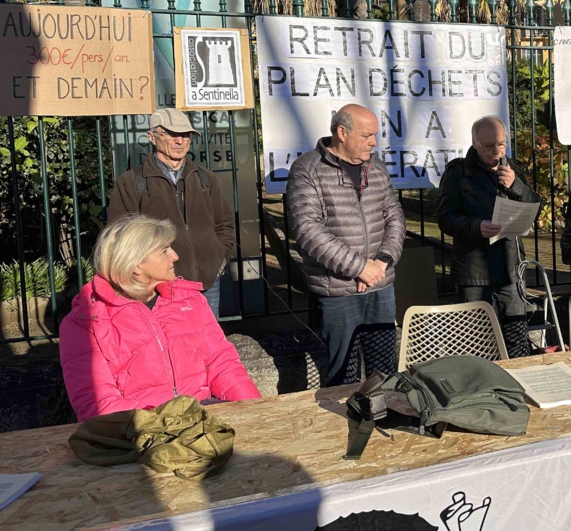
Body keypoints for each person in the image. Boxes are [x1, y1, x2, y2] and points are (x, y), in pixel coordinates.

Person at [59, 214, 260, 422]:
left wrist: (254, 410)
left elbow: (222, 363)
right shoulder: (86, 322)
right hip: (138, 432)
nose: (175, 256)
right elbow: (98, 403)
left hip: (203, 418)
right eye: (164, 250)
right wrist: (170, 425)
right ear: (136, 264)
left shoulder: (189, 300)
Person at [287, 104, 405, 387]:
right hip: (338, 291)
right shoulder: (307, 170)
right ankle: (346, 427)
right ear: (342, 132)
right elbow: (308, 230)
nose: (374, 142)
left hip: (381, 284)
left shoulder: (375, 167)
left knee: (385, 373)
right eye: (367, 136)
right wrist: (359, 268)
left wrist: (382, 262)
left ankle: (385, 422)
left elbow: (395, 216)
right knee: (343, 374)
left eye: (375, 135)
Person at [107, 108, 234, 319]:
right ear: (151, 137)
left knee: (207, 346)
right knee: (164, 347)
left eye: (185, 135)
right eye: (172, 134)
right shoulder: (131, 183)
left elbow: (224, 224)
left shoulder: (206, 178)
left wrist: (219, 260)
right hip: (157, 287)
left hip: (206, 283)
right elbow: (119, 237)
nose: (180, 141)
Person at [438, 116, 539, 358]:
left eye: (502, 144)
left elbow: (534, 205)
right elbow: (445, 218)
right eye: (489, 146)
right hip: (475, 272)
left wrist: (516, 185)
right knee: (478, 341)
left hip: (510, 269)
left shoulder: (513, 168)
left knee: (516, 339)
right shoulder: (458, 172)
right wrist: (476, 227)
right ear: (474, 143)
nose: (497, 151)